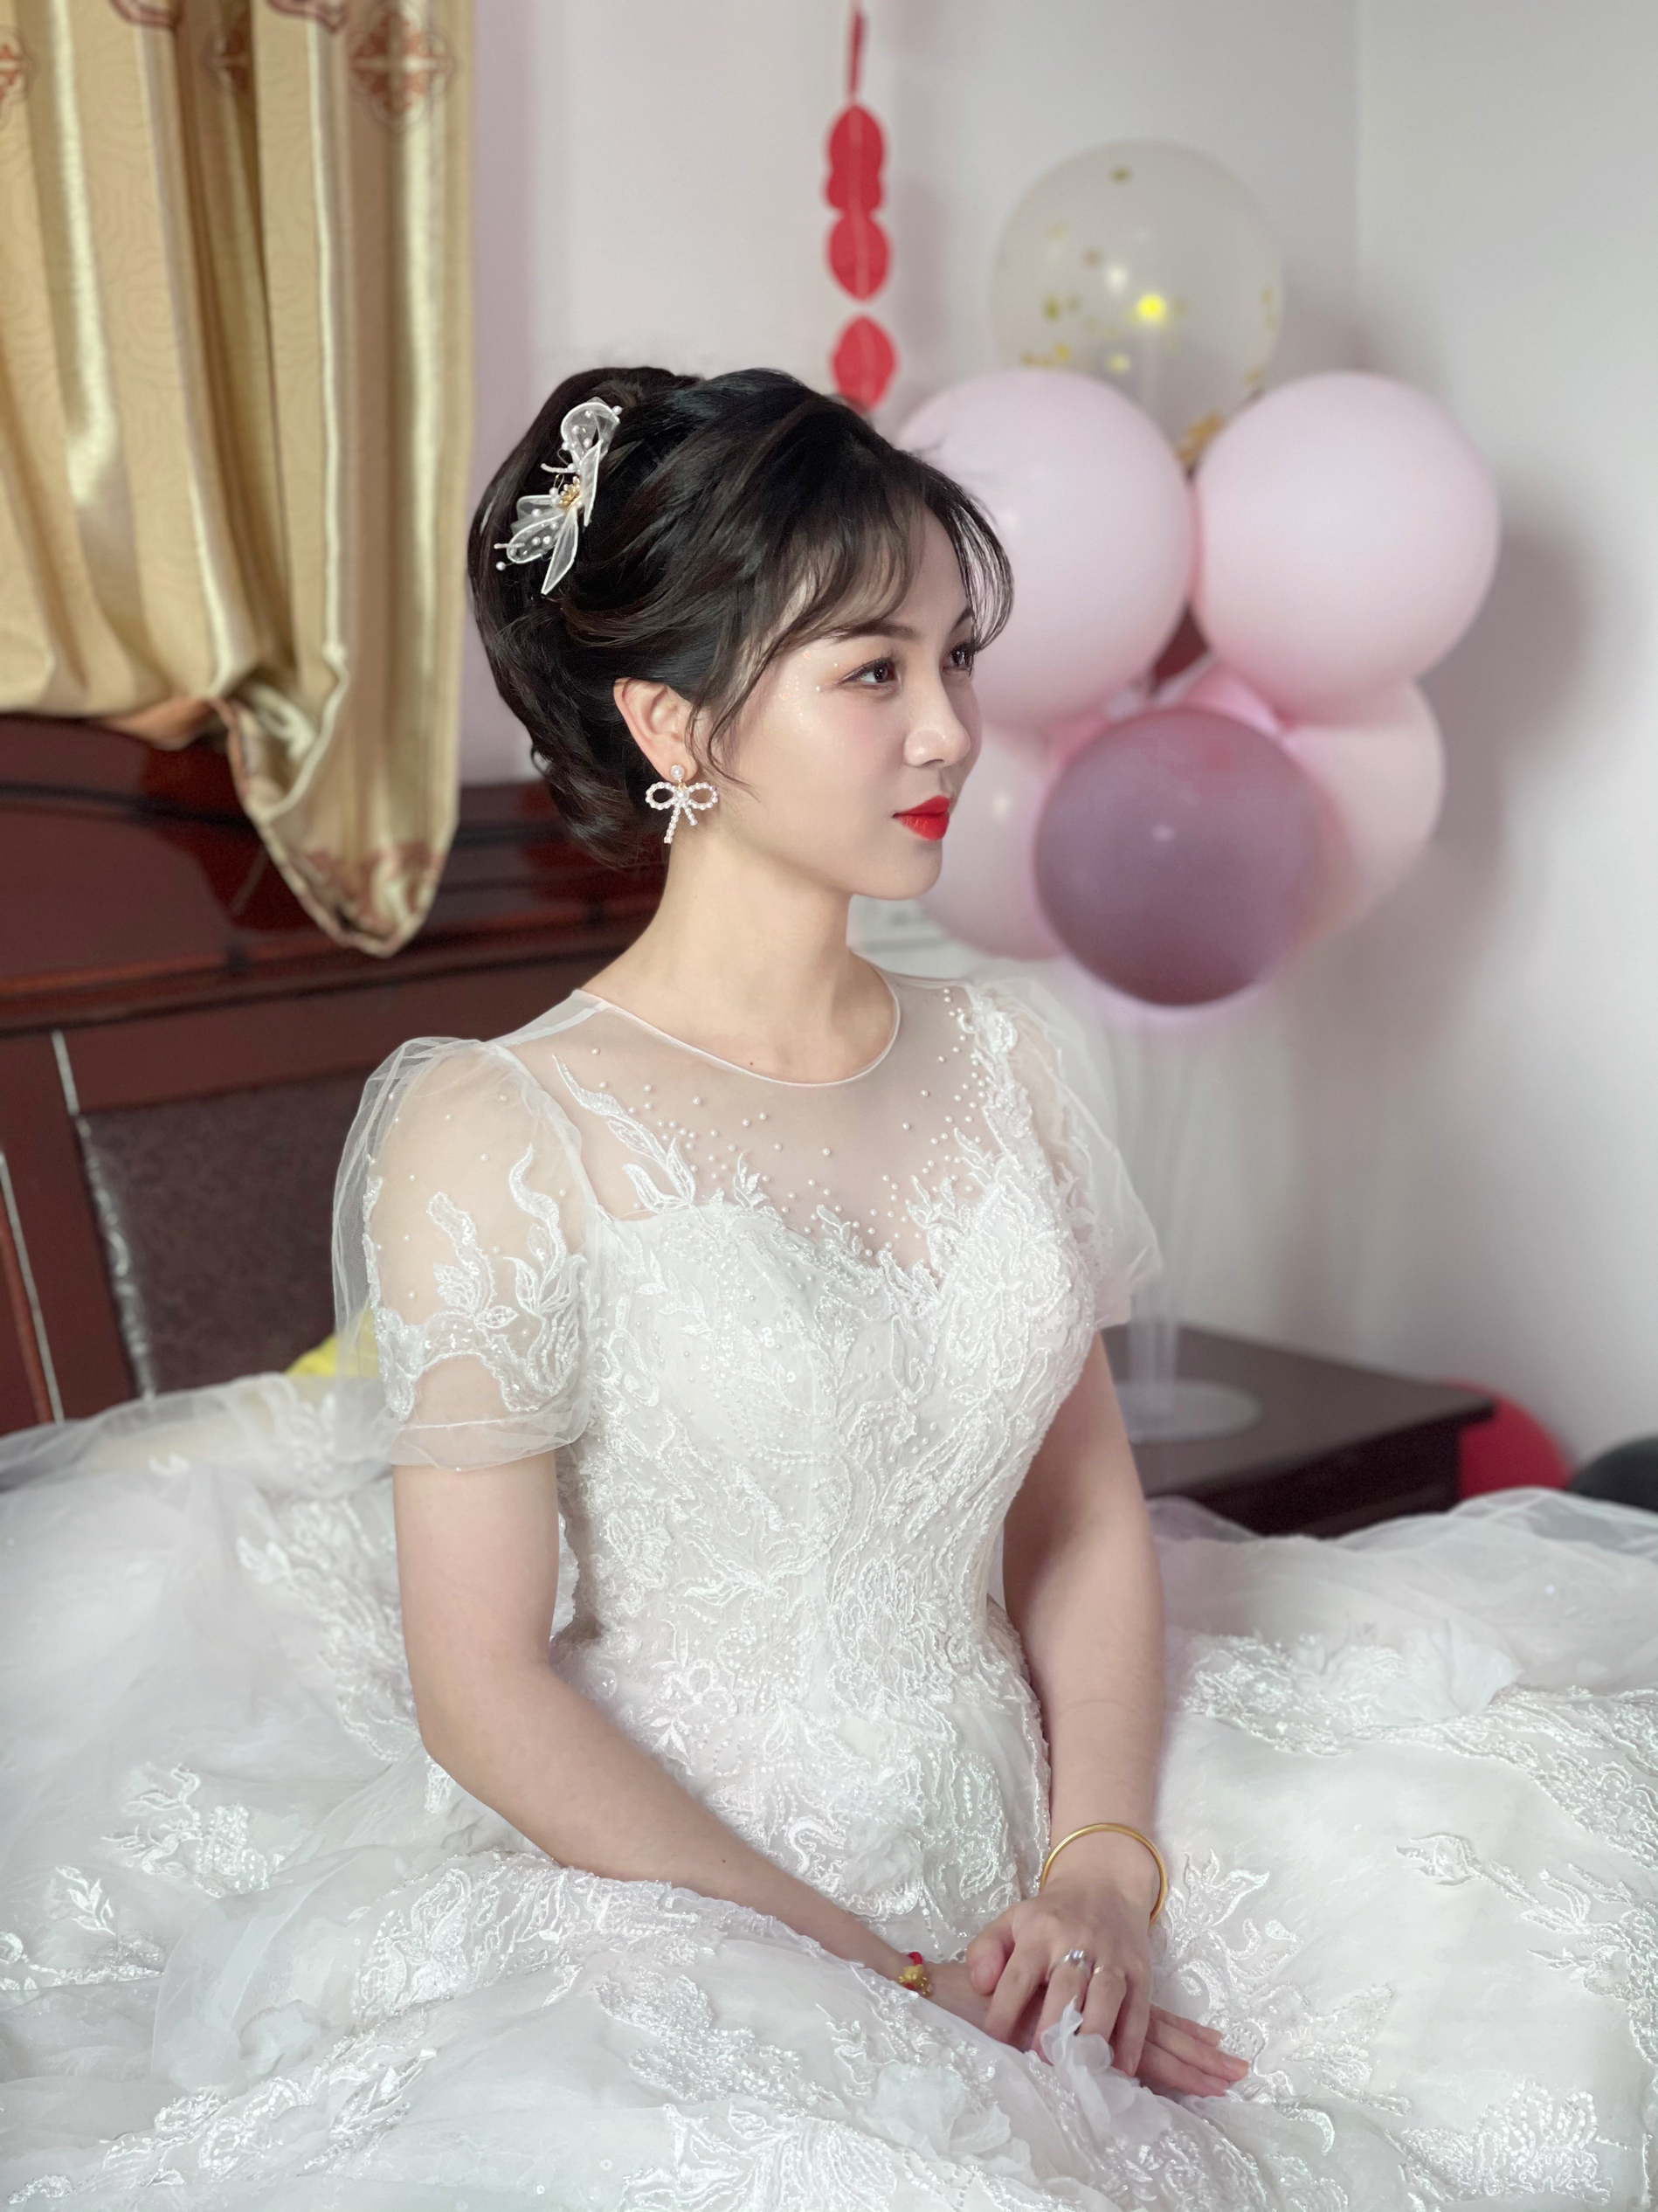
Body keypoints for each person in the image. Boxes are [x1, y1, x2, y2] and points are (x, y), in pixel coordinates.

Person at [1, 369, 1654, 2212]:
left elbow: (1078, 1514)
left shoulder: (1004, 1055)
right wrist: (885, 1982)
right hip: (682, 1878)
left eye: (958, 660)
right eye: (874, 671)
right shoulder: (501, 1126)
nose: (949, 732)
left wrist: (1105, 1867)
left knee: (1548, 1904)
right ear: (673, 721)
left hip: (1023, 1784)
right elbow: (481, 1687)